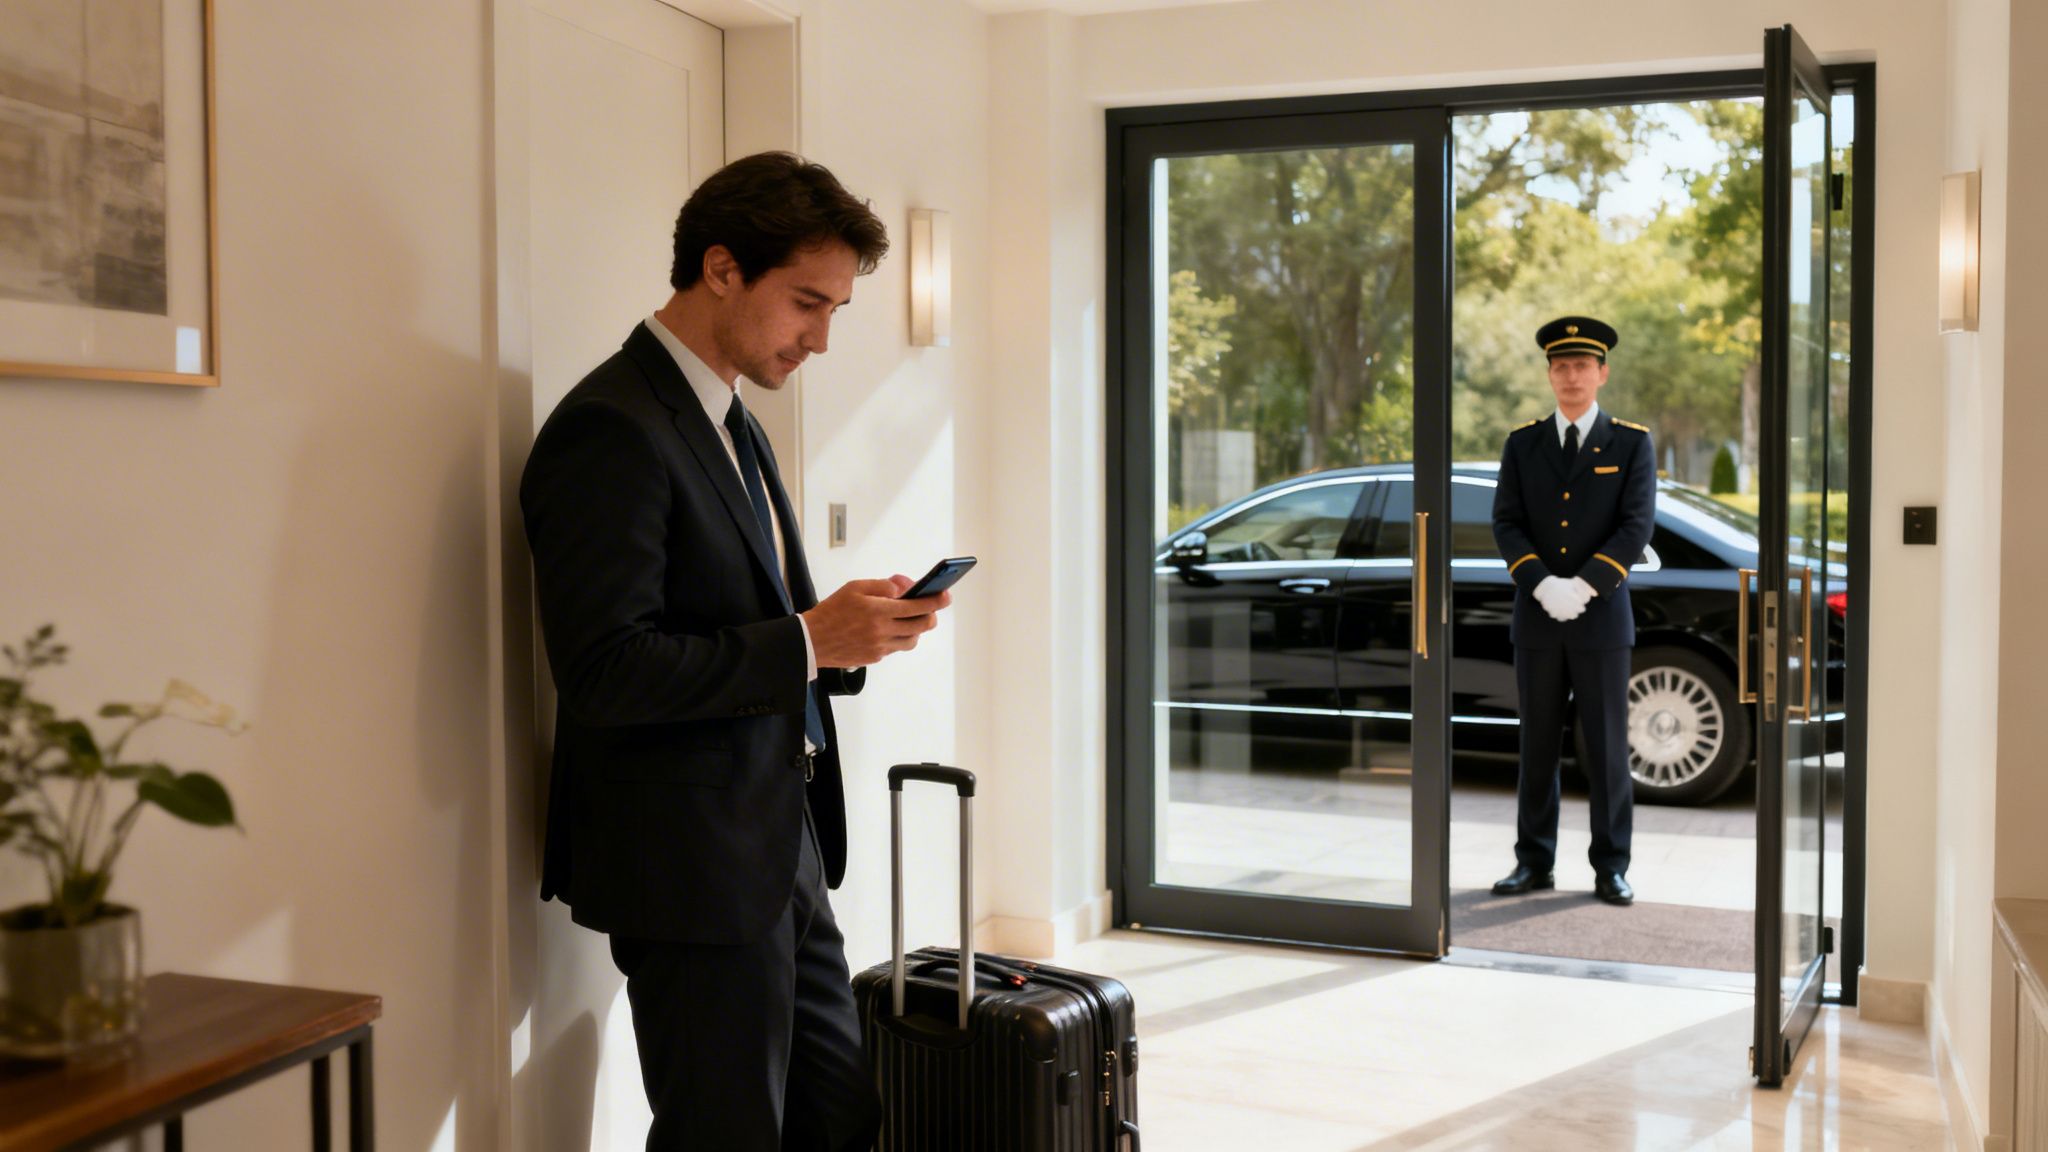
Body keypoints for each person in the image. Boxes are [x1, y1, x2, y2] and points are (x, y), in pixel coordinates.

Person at [520, 151, 949, 1150]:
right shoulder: (609, 429)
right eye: (807, 302)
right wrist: (805, 640)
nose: (822, 338)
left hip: (777, 842)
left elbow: (740, 620)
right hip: (691, 869)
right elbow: (602, 672)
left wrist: (845, 639)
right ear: (721, 269)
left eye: (834, 309)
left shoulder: (727, 417)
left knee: (837, 1116)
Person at [1489, 315, 1655, 908]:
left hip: (1602, 617)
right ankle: (1532, 862)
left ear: (1602, 373)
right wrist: (1541, 585)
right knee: (1537, 745)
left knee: (1608, 748)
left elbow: (1636, 526)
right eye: (1561, 366)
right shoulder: (1523, 443)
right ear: (1549, 374)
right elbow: (1506, 522)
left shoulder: (1632, 442)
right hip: (1537, 618)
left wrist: (1583, 587)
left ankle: (1611, 866)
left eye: (1582, 365)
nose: (1571, 376)